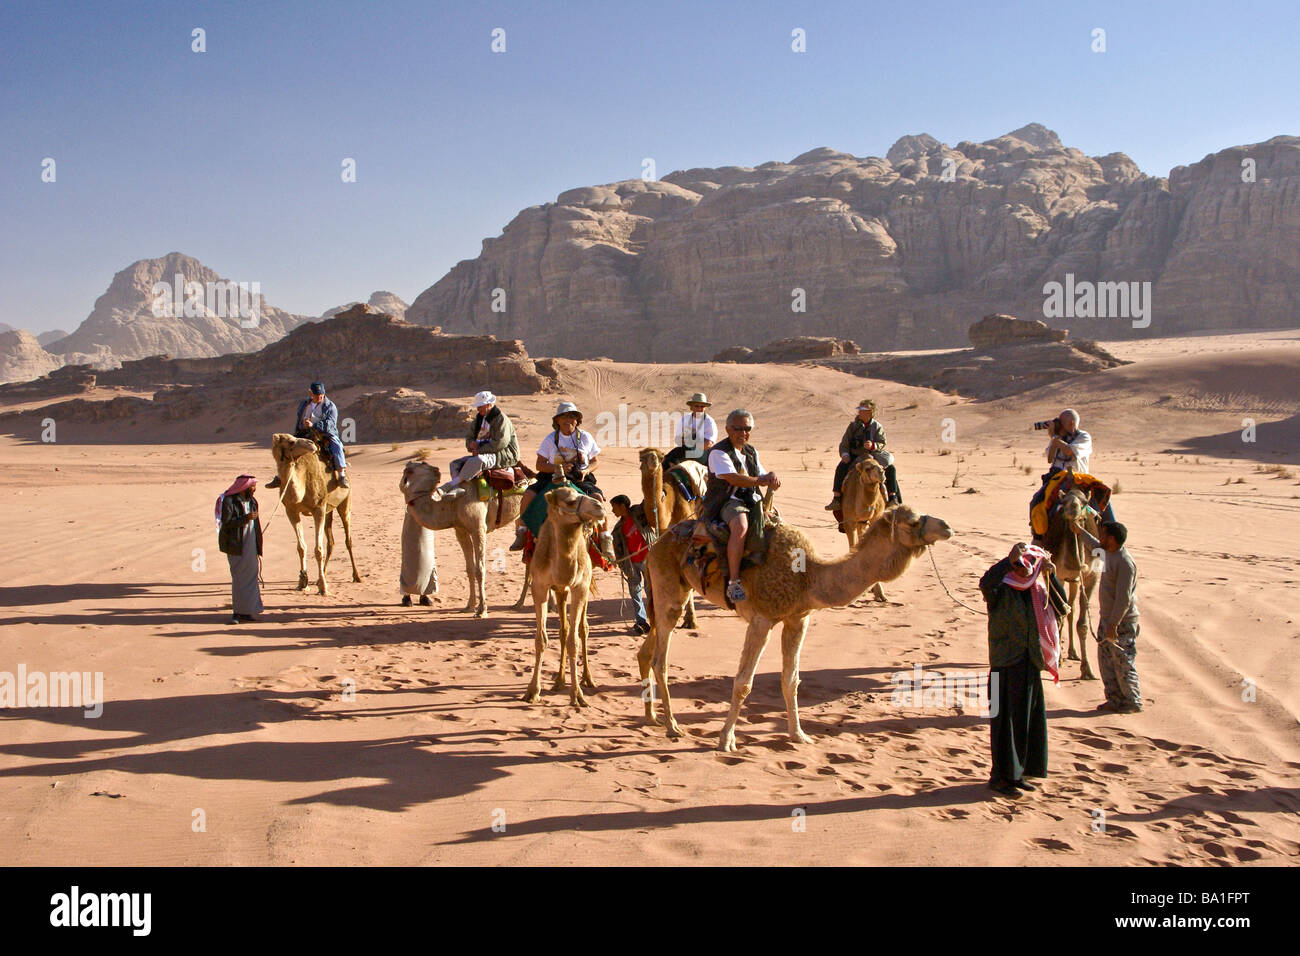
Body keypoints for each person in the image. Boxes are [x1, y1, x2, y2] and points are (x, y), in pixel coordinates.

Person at [979, 542, 1069, 797]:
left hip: (1029, 662)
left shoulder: (1038, 589)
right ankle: (1002, 777)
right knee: (1004, 724)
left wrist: (1051, 576)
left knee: (1027, 721)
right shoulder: (1000, 588)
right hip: (1005, 664)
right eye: (1018, 565)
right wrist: (1008, 561)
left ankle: (1020, 774)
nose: (1022, 569)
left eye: (1027, 564)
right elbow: (986, 582)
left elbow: (1062, 607)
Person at [698, 409, 781, 604]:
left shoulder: (751, 451)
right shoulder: (718, 452)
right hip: (727, 501)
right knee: (741, 527)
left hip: (751, 499)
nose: (743, 433)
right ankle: (734, 582)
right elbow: (734, 478)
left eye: (747, 429)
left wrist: (771, 477)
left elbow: (759, 472)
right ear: (727, 429)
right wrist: (761, 480)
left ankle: (794, 570)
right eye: (738, 428)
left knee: (781, 526)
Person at [510, 401, 611, 554]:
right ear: (557, 420)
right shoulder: (550, 439)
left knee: (598, 498)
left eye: (572, 416)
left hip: (580, 479)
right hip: (552, 477)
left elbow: (595, 461)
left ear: (577, 420)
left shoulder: (585, 437)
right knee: (528, 495)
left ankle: (605, 538)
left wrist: (586, 471)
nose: (568, 420)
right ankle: (522, 532)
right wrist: (559, 468)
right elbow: (540, 464)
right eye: (563, 417)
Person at [1070, 518, 1142, 713]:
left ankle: (1132, 701)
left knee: (1122, 661)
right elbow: (1093, 544)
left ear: (1111, 539)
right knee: (1106, 661)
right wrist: (1079, 531)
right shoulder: (1107, 554)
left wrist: (1114, 624)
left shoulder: (1125, 562)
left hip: (1122, 622)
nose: (1099, 537)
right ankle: (1115, 699)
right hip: (1107, 620)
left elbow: (1124, 598)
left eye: (1103, 534)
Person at [437, 390, 519, 497]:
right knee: (454, 464)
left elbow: (500, 443)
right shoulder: (479, 419)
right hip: (483, 452)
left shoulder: (501, 420)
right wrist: (470, 444)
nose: (478, 409)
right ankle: (457, 488)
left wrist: (479, 450)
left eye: (480, 406)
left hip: (503, 455)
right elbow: (469, 436)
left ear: (489, 405)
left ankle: (449, 486)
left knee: (478, 461)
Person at [267, 381, 348, 488]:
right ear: (310, 393)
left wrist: (313, 425)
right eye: (316, 395)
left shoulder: (330, 406)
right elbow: (299, 419)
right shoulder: (304, 405)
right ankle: (280, 476)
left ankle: (342, 475)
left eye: (321, 395)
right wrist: (302, 425)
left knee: (336, 445)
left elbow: (330, 423)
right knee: (287, 448)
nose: (319, 397)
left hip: (325, 434)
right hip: (304, 433)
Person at [826, 399, 901, 511]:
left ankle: (893, 498)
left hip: (873, 456)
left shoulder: (877, 426)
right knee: (841, 468)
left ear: (870, 412)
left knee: (891, 469)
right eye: (859, 410)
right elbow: (844, 443)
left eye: (863, 410)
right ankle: (836, 498)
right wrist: (845, 454)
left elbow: (882, 442)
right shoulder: (853, 426)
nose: (860, 412)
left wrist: (873, 446)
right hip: (856, 456)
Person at [216, 475, 264, 624]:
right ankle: (237, 612)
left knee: (251, 577)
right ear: (244, 487)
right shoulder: (230, 501)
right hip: (236, 545)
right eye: (252, 486)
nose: (254, 489)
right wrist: (246, 517)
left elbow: (256, 524)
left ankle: (249, 611)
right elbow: (227, 522)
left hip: (250, 544)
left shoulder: (253, 501)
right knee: (238, 579)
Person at [610, 494, 655, 634]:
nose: (613, 511)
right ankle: (641, 621)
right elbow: (618, 549)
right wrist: (623, 566)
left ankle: (655, 619)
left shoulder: (639, 512)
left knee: (650, 591)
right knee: (635, 593)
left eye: (614, 507)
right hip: (631, 564)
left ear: (623, 506)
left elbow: (649, 501)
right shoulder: (618, 529)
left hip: (649, 559)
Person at [662, 392, 718, 472]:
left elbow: (708, 444)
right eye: (697, 406)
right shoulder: (685, 419)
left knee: (683, 449)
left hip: (703, 454)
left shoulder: (709, 422)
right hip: (685, 449)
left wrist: (691, 444)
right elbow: (678, 439)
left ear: (705, 408)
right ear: (691, 407)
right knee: (671, 455)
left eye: (702, 406)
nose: (699, 409)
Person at [399, 510, 438, 607]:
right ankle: (406, 595)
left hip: (428, 515)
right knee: (409, 557)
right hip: (412, 512)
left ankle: (424, 594)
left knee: (427, 558)